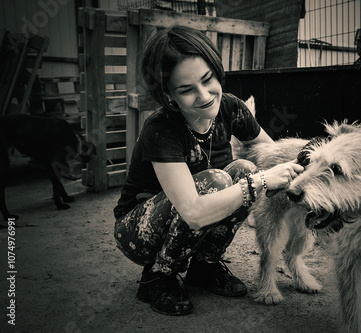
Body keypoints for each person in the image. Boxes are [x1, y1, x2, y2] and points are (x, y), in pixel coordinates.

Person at [113, 26, 304, 316]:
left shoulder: (232, 109)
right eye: (187, 90)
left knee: (245, 168)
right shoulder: (161, 129)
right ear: (168, 95)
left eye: (207, 79)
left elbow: (272, 157)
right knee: (221, 180)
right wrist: (261, 182)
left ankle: (204, 266)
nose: (204, 96)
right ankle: (157, 276)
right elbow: (193, 211)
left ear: (216, 70)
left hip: (192, 218)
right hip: (139, 233)